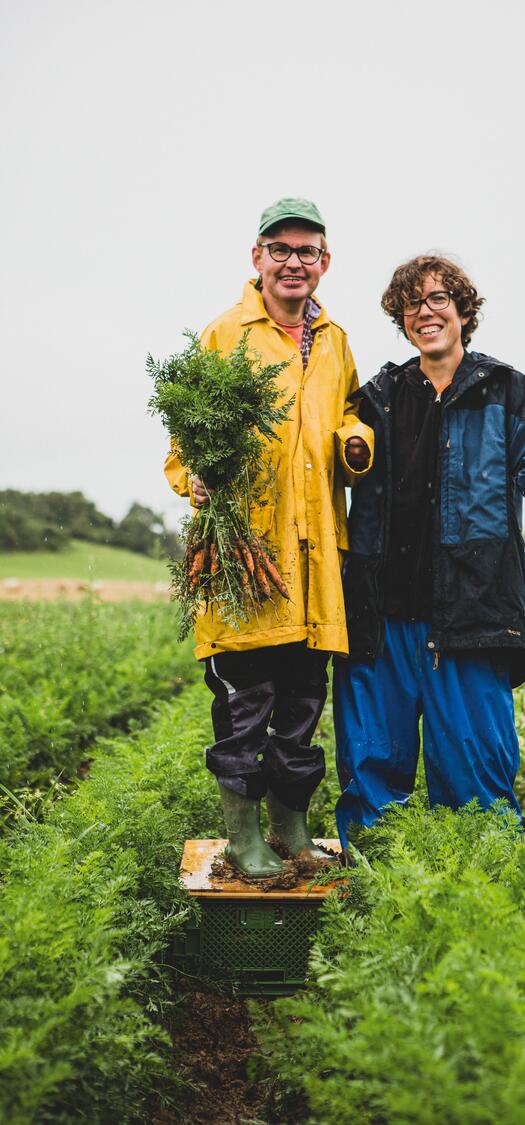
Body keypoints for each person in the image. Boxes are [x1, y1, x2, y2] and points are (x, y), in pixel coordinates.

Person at [334, 254, 525, 847]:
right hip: (379, 624)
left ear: (464, 312)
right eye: (412, 303)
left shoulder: (508, 392)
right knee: (370, 782)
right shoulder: (376, 398)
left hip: (470, 620)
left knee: (477, 792)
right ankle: (374, 905)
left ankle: (483, 905)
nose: (426, 311)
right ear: (400, 317)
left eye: (439, 298)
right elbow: (319, 468)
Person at [165, 197, 373, 875]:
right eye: (279, 249)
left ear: (325, 262)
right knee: (245, 705)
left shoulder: (337, 339)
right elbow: (185, 441)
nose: (293, 262)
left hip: (316, 560)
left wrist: (355, 438)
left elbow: (347, 411)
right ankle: (242, 836)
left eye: (306, 250)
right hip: (246, 559)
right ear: (256, 257)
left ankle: (291, 825)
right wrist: (195, 473)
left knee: (302, 704)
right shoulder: (225, 334)